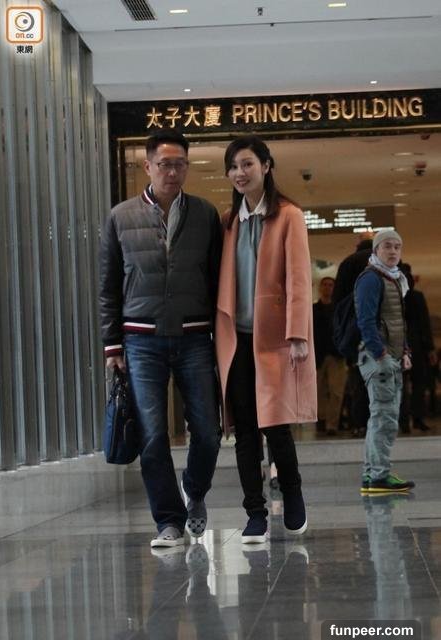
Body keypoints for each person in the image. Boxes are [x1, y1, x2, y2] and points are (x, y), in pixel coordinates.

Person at [99, 129, 222, 548]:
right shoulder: (121, 216)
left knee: (207, 431)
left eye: (180, 164)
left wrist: (221, 339)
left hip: (194, 337)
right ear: (147, 166)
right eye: (165, 164)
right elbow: (108, 286)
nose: (173, 172)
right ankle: (169, 521)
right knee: (151, 435)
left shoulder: (205, 214)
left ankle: (195, 490)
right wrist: (112, 345)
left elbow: (218, 280)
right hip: (140, 341)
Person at [215, 135, 317, 543]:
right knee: (244, 430)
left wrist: (297, 333)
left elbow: (299, 278)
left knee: (275, 425)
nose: (240, 173)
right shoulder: (229, 221)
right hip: (236, 340)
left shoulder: (288, 215)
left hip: (274, 339)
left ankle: (292, 494)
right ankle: (254, 512)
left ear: (266, 166)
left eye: (247, 164)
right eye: (233, 166)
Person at [355, 229, 415, 493]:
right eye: (387, 246)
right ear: (376, 250)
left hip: (390, 356)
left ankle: (372, 474)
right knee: (385, 419)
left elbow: (396, 321)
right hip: (379, 359)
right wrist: (381, 354)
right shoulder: (371, 279)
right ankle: (379, 475)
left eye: (397, 247)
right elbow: (366, 321)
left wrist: (405, 351)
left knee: (380, 418)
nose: (393, 251)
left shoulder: (394, 279)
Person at [333, 237, 372, 437]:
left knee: (358, 379)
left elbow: (337, 300)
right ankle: (380, 422)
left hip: (355, 329)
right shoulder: (384, 260)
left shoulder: (348, 263)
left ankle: (360, 423)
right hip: (381, 328)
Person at [399, 263, 436, 432]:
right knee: (418, 384)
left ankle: (404, 420)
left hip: (400, 346)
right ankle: (417, 418)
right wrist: (430, 348)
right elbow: (424, 323)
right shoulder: (417, 297)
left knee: (401, 385)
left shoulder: (393, 296)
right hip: (417, 346)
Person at [313, 277, 347, 436]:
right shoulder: (313, 309)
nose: (327, 288)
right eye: (325, 285)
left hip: (336, 354)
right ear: (320, 288)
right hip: (318, 355)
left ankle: (332, 424)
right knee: (318, 390)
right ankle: (321, 418)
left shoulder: (339, 309)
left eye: (330, 285)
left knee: (336, 391)